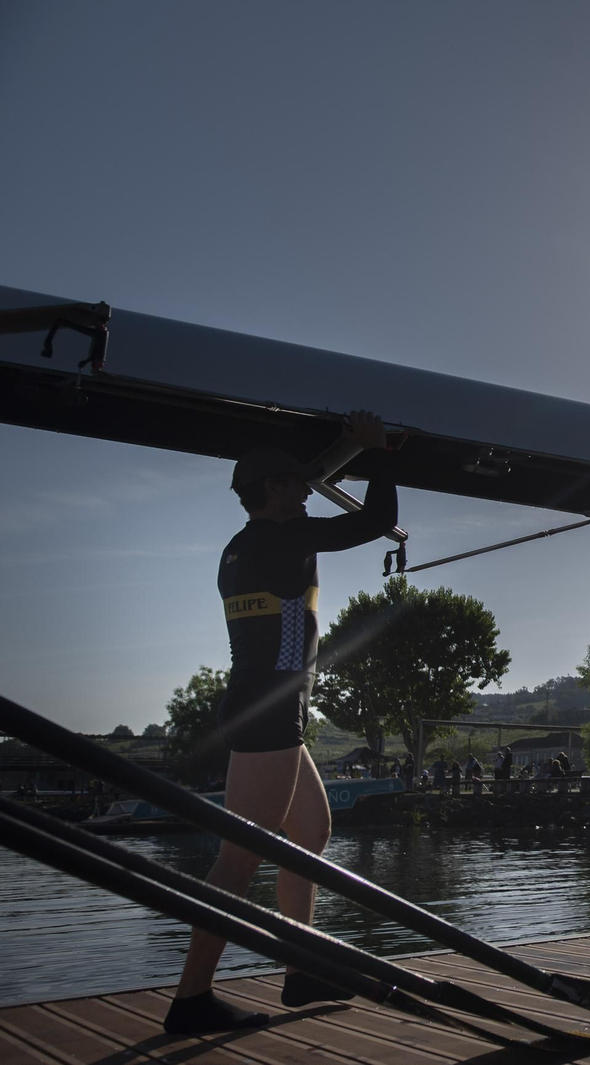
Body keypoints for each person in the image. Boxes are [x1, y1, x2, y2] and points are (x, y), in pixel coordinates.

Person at [164, 411, 397, 1035]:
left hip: (266, 708)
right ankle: (190, 1001)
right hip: (269, 715)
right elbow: (375, 522)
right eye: (299, 482)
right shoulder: (285, 540)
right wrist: (377, 452)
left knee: (312, 832)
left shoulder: (242, 548)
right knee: (239, 861)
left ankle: (300, 970)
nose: (308, 489)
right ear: (272, 489)